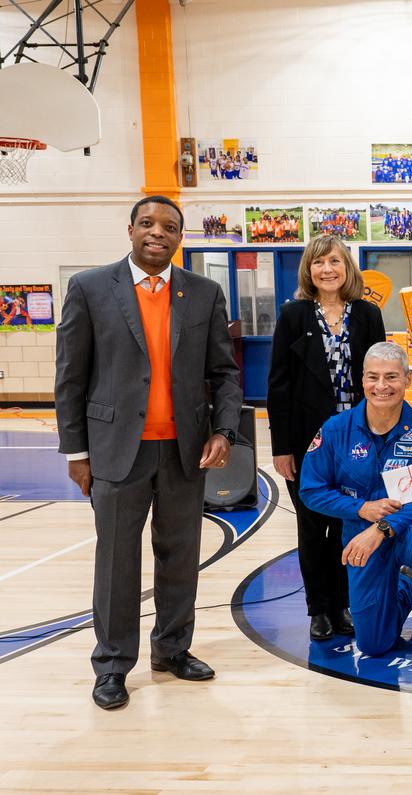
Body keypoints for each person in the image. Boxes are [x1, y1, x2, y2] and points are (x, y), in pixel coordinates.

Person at [55, 196, 242, 710]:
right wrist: (76, 451)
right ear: (131, 229)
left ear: (181, 236)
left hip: (185, 450)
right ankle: (113, 664)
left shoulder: (203, 293)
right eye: (148, 223)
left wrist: (224, 430)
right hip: (116, 450)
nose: (158, 232)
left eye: (170, 226)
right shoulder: (90, 288)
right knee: (116, 562)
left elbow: (223, 373)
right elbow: (70, 377)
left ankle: (173, 649)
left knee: (180, 557)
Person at [299, 342, 412, 700]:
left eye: (391, 377)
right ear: (362, 380)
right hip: (360, 533)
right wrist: (360, 511)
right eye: (373, 377)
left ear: (407, 379)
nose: (381, 386)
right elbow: (310, 489)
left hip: (411, 525)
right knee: (373, 644)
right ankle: (409, 588)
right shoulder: (337, 429)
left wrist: (385, 526)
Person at [268, 235, 386, 642]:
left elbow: (382, 379)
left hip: (359, 440)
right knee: (312, 527)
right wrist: (282, 447)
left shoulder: (368, 315)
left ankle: (346, 604)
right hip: (308, 443)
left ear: (347, 267)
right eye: (318, 263)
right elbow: (278, 387)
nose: (327, 269)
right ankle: (319, 609)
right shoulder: (293, 316)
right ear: (309, 270)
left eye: (334, 261)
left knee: (351, 525)